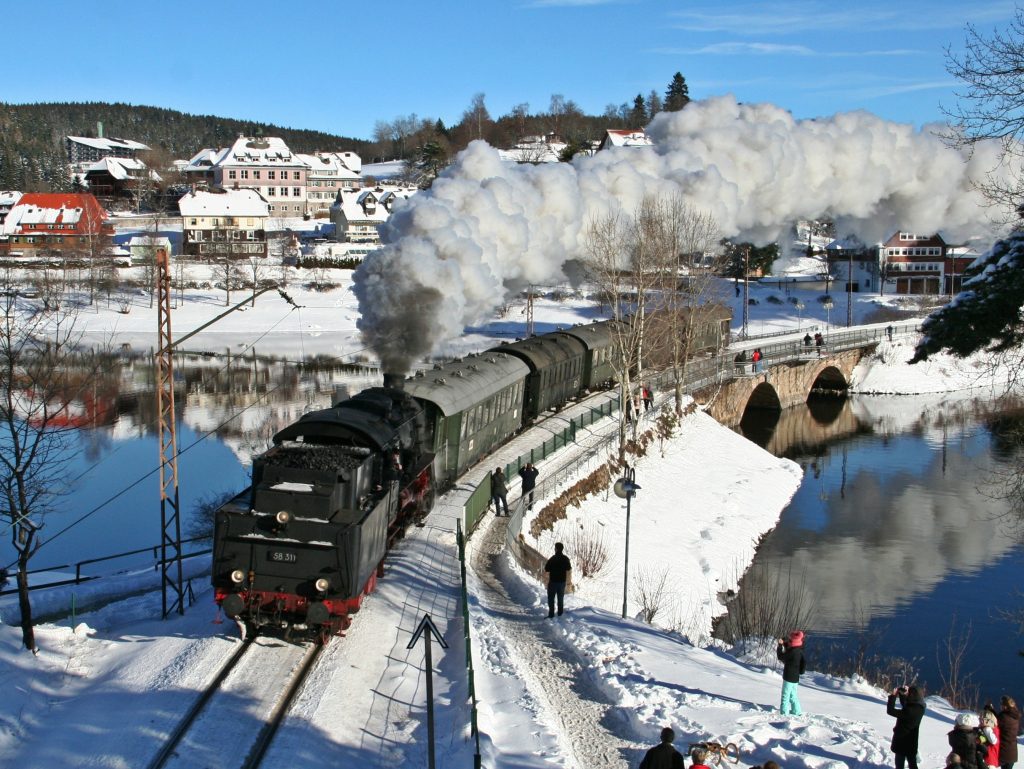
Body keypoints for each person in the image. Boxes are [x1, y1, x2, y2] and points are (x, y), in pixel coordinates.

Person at [887, 685, 926, 769]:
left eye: (909, 693)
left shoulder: (909, 711)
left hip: (901, 741)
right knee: (912, 764)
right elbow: (907, 705)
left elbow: (890, 711)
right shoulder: (921, 707)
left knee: (899, 764)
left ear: (912, 696)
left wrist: (893, 696)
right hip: (912, 741)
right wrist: (903, 694)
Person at [777, 630, 806, 716]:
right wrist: (801, 671)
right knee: (793, 695)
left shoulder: (791, 652)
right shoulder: (800, 651)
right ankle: (797, 711)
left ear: (793, 642)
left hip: (788, 677)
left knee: (785, 696)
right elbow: (804, 662)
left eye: (790, 640)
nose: (789, 641)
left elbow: (781, 656)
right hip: (795, 678)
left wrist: (780, 646)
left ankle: (783, 713)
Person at [544, 542, 571, 618]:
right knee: (560, 598)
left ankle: (551, 614)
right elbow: (568, 568)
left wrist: (553, 568)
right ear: (562, 549)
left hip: (553, 582)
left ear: (556, 549)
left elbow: (546, 569)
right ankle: (560, 614)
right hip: (562, 582)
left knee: (551, 598)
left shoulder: (552, 559)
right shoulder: (565, 558)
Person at [997, 696, 1019, 769]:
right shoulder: (1015, 715)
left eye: (1001, 704)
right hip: (1012, 751)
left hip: (1004, 750)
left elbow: (995, 725)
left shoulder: (1003, 716)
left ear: (1005, 706)